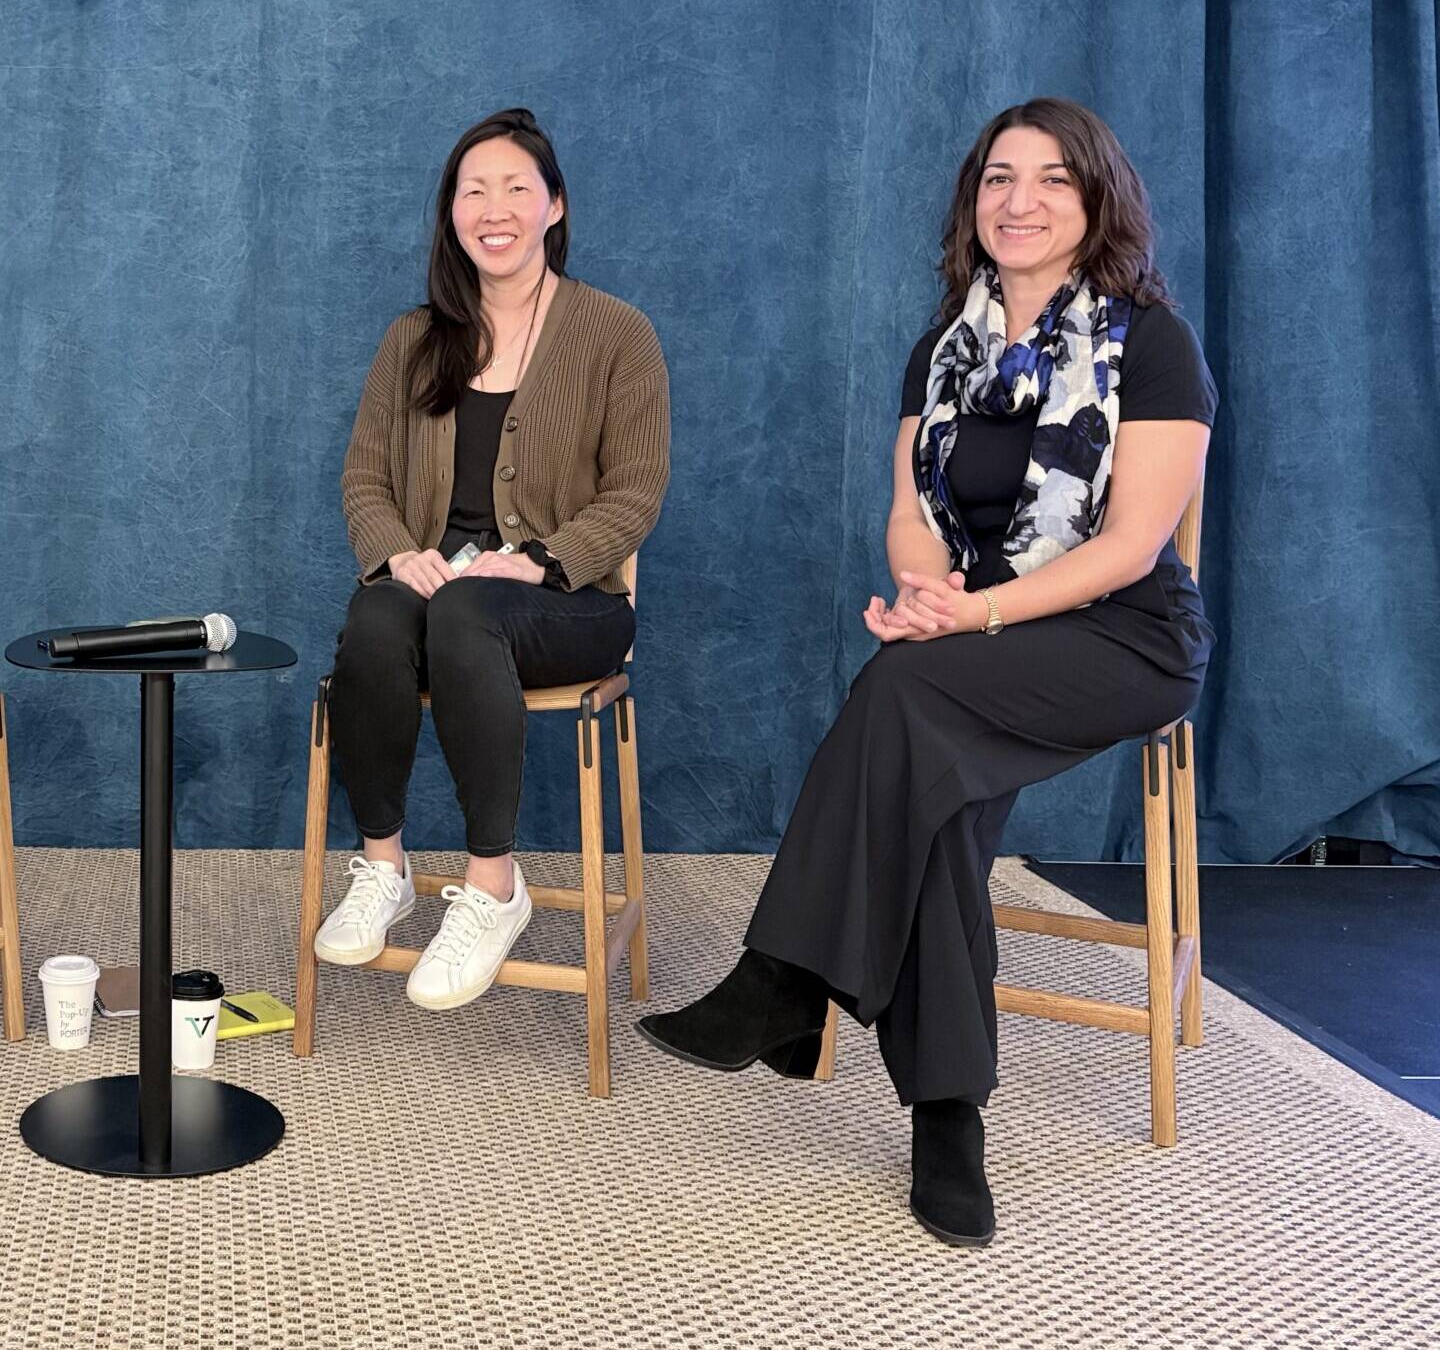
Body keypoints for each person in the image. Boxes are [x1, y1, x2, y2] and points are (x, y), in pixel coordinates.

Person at [638, 97, 1214, 1248]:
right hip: (980, 637)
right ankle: (946, 1121)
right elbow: (910, 515)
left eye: (1051, 179)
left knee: (902, 698)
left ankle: (784, 980)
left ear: (1097, 201)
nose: (1020, 200)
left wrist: (972, 614)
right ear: (972, 200)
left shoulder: (1147, 342)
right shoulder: (941, 346)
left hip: (1124, 636)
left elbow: (1127, 548)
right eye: (998, 178)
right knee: (931, 786)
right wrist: (921, 594)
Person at [318, 108, 669, 1011]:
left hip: (572, 601)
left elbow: (636, 491)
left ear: (555, 206)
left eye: (517, 187)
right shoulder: (413, 339)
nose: (494, 207)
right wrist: (399, 554)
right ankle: (384, 866)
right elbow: (363, 477)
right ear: (451, 214)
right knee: (374, 619)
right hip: (438, 593)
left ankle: (492, 886)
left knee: (469, 611)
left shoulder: (617, 334)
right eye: (473, 190)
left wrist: (545, 560)